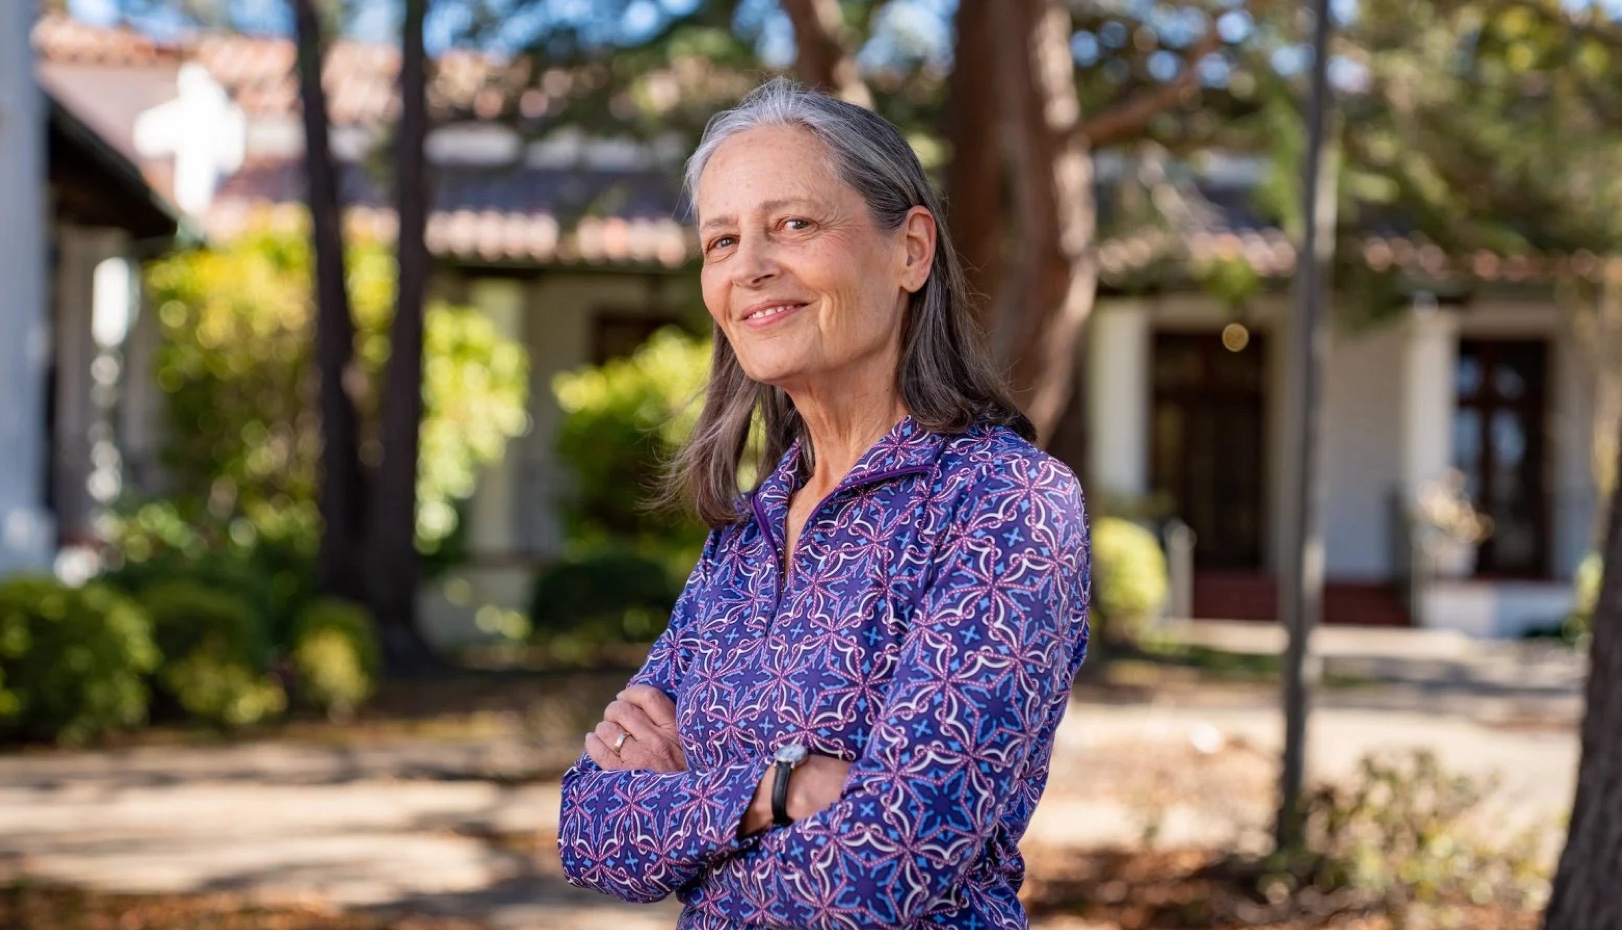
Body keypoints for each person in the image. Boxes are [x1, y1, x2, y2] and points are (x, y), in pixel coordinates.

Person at [557, 78, 1091, 930]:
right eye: (720, 240)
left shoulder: (1006, 505)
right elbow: (588, 828)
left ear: (911, 250)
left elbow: (886, 869)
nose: (750, 267)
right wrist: (784, 789)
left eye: (794, 224)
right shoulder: (747, 532)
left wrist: (693, 810)